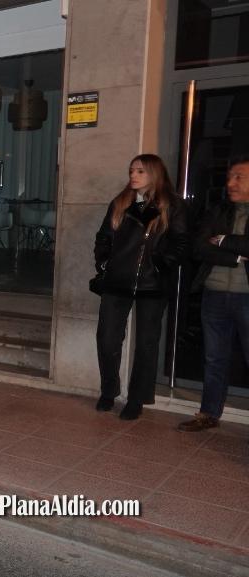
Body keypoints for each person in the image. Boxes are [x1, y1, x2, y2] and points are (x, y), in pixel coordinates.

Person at [93, 154, 187, 420]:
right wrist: (103, 263)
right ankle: (109, 390)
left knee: (146, 343)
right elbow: (103, 237)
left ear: (155, 174)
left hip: (152, 284)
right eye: (132, 170)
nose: (133, 176)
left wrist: (161, 265)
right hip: (117, 281)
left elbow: (181, 243)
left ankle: (137, 398)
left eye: (140, 171)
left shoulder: (172, 205)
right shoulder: (121, 202)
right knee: (107, 338)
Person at [179, 157, 249, 432]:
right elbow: (198, 247)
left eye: (239, 177)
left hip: (246, 298)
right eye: (230, 176)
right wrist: (237, 257)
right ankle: (209, 413)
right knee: (214, 357)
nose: (230, 183)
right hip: (214, 295)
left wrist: (223, 240)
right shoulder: (218, 210)